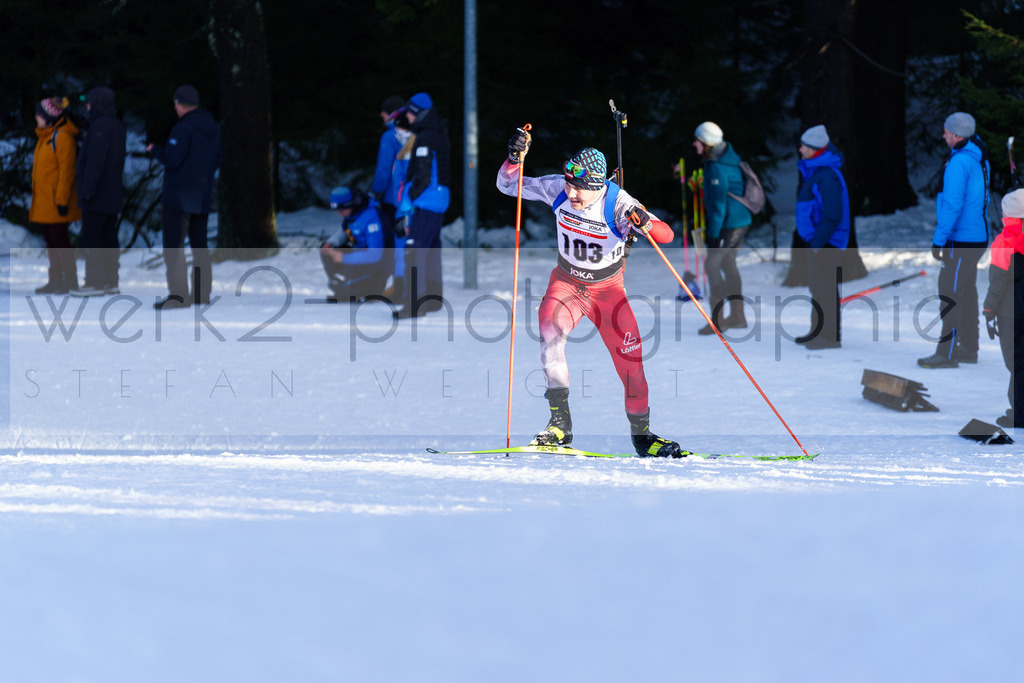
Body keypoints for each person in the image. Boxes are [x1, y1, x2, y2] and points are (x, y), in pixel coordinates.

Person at [497, 131, 683, 458]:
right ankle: (559, 425)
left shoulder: (619, 204)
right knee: (549, 337)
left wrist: (644, 223)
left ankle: (642, 436)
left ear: (597, 187)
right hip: (566, 283)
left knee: (632, 365)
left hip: (608, 292)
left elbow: (666, 234)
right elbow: (508, 186)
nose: (570, 193)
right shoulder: (559, 188)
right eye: (568, 184)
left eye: (578, 188)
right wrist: (515, 160)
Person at [918, 112, 990, 369]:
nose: (943, 135)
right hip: (975, 237)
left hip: (962, 240)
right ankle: (969, 349)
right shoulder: (978, 156)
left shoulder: (960, 162)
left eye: (947, 132)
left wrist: (939, 240)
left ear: (957, 134)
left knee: (950, 294)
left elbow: (952, 204)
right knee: (966, 293)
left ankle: (947, 353)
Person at [146, 85, 222, 309]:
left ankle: (178, 295)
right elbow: (217, 158)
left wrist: (155, 151)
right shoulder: (213, 128)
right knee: (200, 245)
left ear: (179, 104)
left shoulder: (183, 129)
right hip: (202, 194)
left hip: (178, 196)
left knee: (174, 246)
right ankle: (201, 293)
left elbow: (172, 159)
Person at [393, 92, 450, 319]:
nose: (406, 115)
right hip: (439, 197)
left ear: (418, 113)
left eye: (409, 111)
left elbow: (423, 174)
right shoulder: (436, 133)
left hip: (427, 199)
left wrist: (411, 198)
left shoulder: (425, 137)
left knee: (414, 251)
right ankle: (433, 300)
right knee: (431, 250)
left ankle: (414, 304)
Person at [793, 124, 850, 350]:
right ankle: (817, 331)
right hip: (818, 240)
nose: (800, 149)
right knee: (817, 287)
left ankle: (829, 337)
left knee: (825, 288)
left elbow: (833, 213)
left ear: (815, 149)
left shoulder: (826, 175)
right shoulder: (816, 171)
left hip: (826, 242)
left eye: (804, 146)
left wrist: (818, 241)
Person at [692, 121, 752, 335]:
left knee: (712, 266)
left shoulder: (717, 166)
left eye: (697, 140)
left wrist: (714, 236)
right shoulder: (724, 158)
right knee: (727, 264)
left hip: (730, 224)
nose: (694, 144)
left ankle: (719, 320)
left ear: (707, 142)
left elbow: (718, 206)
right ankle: (737, 316)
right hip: (738, 220)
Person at [72, 86, 126, 297]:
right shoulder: (117, 125)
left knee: (93, 237)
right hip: (112, 193)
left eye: (90, 102)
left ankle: (94, 281)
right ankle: (110, 281)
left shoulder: (100, 126)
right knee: (108, 236)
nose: (87, 106)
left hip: (98, 194)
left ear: (98, 104)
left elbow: (96, 162)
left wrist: (87, 191)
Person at [30, 96, 81, 294]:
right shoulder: (45, 137)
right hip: (44, 200)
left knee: (59, 240)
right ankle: (56, 279)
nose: (36, 117)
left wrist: (61, 201)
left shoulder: (62, 137)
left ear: (49, 117)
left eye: (39, 114)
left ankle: (70, 280)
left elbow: (66, 172)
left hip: (56, 201)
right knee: (50, 240)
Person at [983, 189, 1024, 429]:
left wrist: (989, 311)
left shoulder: (1003, 243)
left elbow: (996, 283)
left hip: (1010, 315)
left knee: (1016, 363)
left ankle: (1019, 413)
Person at [319, 186, 390, 302]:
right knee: (326, 252)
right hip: (359, 255)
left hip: (376, 264)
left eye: (341, 210)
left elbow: (375, 254)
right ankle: (344, 289)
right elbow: (344, 232)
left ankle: (368, 290)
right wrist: (330, 243)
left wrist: (344, 258)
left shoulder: (371, 218)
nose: (339, 214)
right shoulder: (351, 215)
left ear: (350, 204)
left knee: (345, 278)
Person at [371, 95, 406, 239]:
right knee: (406, 235)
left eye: (384, 111)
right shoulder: (415, 133)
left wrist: (376, 191)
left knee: (393, 236)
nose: (381, 114)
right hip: (412, 196)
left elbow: (384, 169)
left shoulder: (390, 136)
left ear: (393, 113)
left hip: (392, 199)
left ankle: (394, 261)